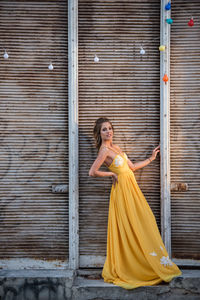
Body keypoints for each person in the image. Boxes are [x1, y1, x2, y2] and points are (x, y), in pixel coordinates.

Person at [89, 117, 182, 290]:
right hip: (122, 192)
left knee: (145, 221)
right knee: (130, 227)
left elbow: (131, 167)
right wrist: (111, 175)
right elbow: (92, 172)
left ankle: (150, 261)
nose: (108, 131)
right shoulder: (104, 151)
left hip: (132, 190)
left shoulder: (116, 147)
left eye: (110, 128)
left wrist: (151, 159)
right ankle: (133, 267)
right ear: (99, 134)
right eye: (104, 129)